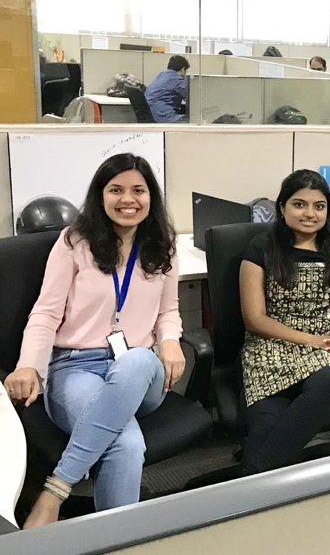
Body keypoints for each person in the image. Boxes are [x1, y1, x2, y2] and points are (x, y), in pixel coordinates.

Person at [4, 153, 184, 527]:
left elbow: (169, 311)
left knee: (136, 360)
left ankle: (54, 490)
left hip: (140, 373)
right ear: (100, 196)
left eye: (138, 190)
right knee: (126, 443)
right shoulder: (75, 242)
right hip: (74, 368)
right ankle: (116, 538)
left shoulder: (162, 243)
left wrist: (170, 341)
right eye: (115, 189)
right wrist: (28, 365)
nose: (127, 199)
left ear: (152, 197)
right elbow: (46, 313)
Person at [238, 170, 330, 475]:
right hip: (270, 347)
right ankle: (252, 494)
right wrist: (313, 341)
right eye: (299, 204)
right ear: (282, 207)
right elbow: (254, 319)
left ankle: (242, 494)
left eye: (319, 206)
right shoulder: (261, 247)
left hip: (326, 345)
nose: (309, 214)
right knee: (266, 427)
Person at [145, 55, 189, 123]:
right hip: (163, 115)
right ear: (183, 69)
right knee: (191, 122)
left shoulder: (162, 74)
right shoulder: (176, 79)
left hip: (151, 113)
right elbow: (192, 97)